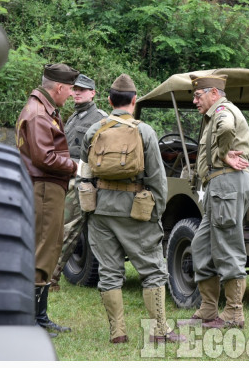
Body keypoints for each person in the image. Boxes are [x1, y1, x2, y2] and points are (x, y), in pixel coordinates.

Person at [79, 74, 185, 344]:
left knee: (109, 271)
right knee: (153, 271)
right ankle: (159, 332)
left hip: (101, 211)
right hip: (135, 211)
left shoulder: (94, 130)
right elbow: (157, 179)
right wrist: (156, 212)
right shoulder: (145, 131)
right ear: (134, 101)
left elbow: (85, 171)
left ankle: (117, 333)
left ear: (109, 100)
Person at [181, 73, 249, 329]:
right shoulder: (214, 113)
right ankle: (208, 309)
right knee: (202, 246)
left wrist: (222, 154)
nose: (194, 101)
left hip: (227, 184)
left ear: (214, 93)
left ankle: (234, 313)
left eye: (198, 95)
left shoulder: (223, 111)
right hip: (219, 186)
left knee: (228, 246)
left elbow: (226, 128)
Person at [15, 63, 79, 335]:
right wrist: (75, 166)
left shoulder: (39, 108)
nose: (72, 95)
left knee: (47, 247)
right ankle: (32, 320)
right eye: (71, 89)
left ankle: (39, 317)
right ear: (59, 87)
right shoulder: (41, 114)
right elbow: (45, 157)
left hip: (42, 187)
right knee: (43, 249)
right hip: (43, 188)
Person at [48, 73, 107, 291]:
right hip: (68, 178)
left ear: (93, 93)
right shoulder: (72, 117)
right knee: (61, 228)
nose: (77, 93)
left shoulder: (100, 117)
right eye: (75, 89)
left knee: (68, 229)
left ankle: (50, 277)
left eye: (83, 90)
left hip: (85, 181)